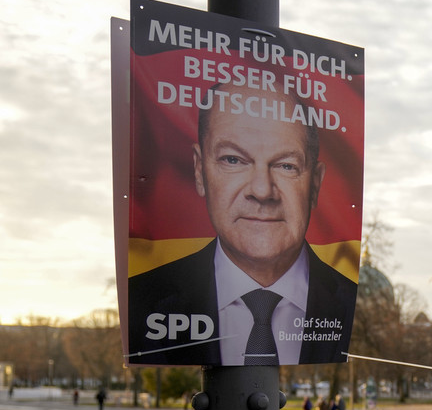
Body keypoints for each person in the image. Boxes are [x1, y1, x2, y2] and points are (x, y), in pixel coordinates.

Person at [127, 84, 356, 366]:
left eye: (286, 165)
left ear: (315, 184)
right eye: (233, 160)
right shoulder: (141, 300)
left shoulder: (355, 308)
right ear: (200, 171)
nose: (262, 190)